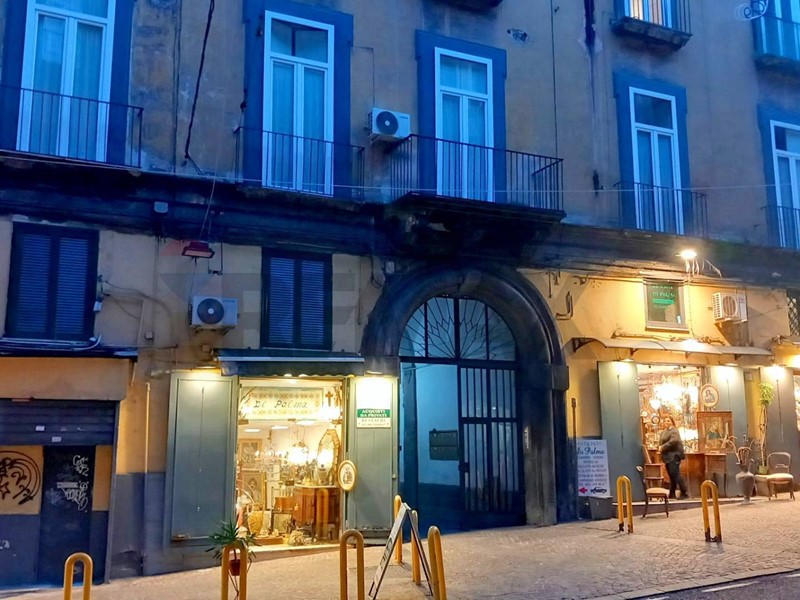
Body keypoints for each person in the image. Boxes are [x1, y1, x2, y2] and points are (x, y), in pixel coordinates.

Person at [659, 416, 689, 499]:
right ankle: (672, 493)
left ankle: (684, 492)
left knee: (675, 473)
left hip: (674, 455)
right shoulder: (664, 432)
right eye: (665, 421)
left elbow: (673, 441)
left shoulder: (674, 431)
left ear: (672, 422)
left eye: (668, 421)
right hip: (667, 456)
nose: (667, 422)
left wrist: (663, 447)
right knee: (671, 475)